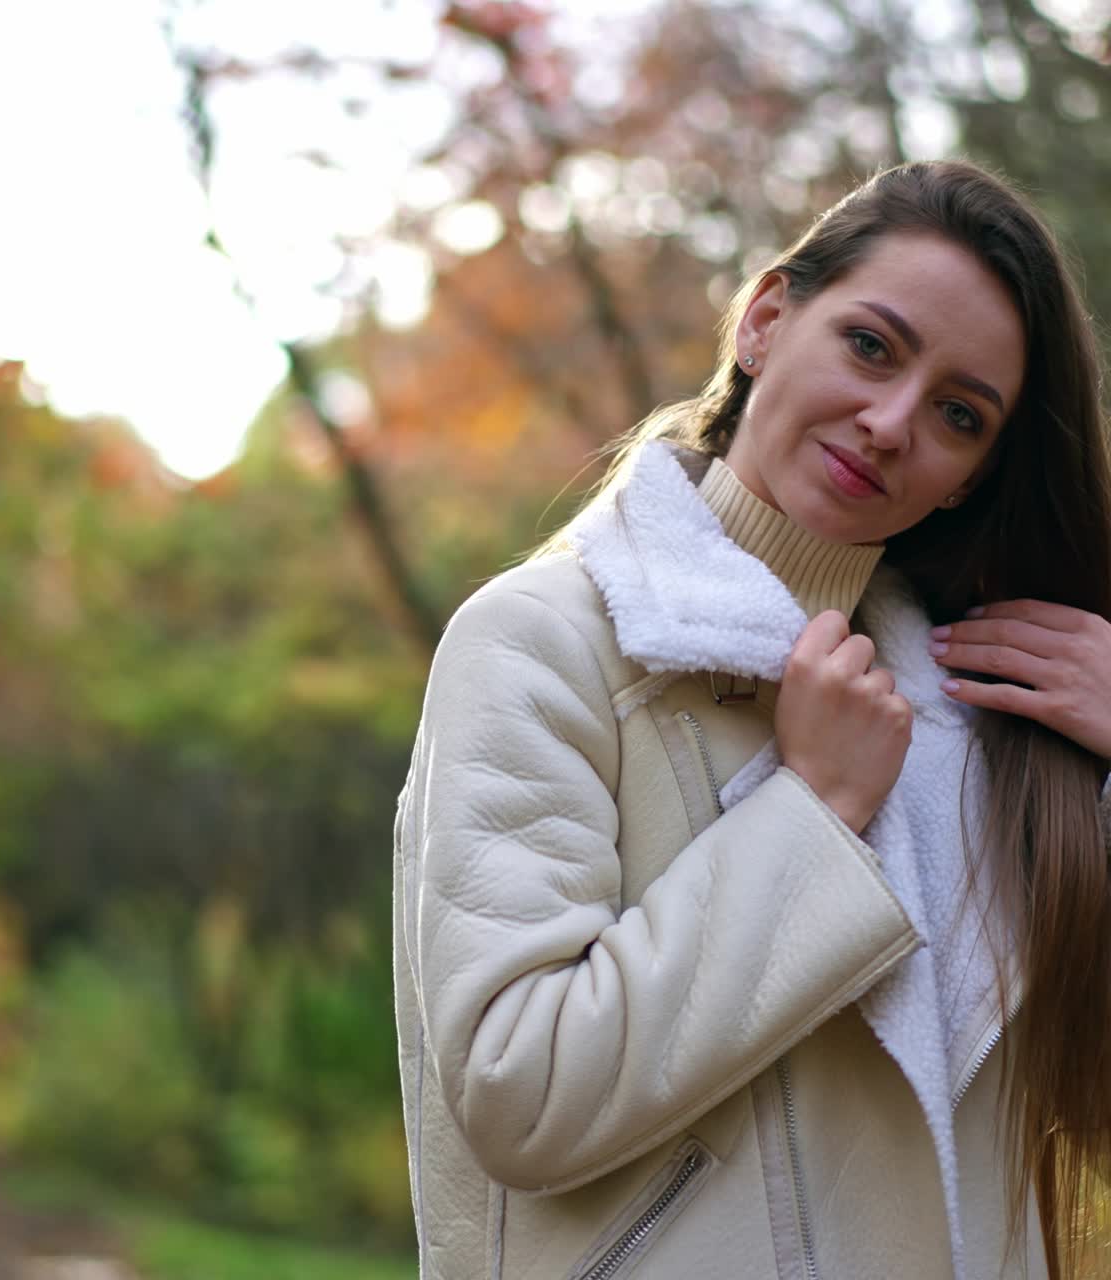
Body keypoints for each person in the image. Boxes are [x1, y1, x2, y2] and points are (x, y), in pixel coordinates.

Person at [393, 159, 1111, 1280]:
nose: (887, 422)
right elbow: (514, 1087)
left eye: (957, 413)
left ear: (971, 476)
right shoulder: (542, 639)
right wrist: (811, 811)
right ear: (766, 320)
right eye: (870, 345)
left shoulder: (990, 710)